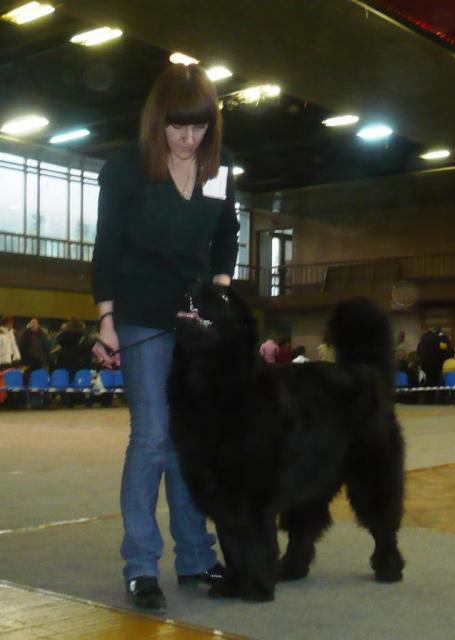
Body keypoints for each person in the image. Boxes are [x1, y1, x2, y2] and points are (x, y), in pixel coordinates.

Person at [91, 64, 239, 612]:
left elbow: (229, 230)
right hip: (141, 313)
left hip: (194, 320)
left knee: (187, 442)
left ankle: (197, 557)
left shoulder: (218, 169)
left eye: (198, 127)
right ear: (159, 121)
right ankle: (140, 565)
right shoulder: (127, 168)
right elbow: (107, 245)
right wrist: (106, 318)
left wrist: (220, 287)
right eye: (178, 127)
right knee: (152, 436)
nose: (187, 138)